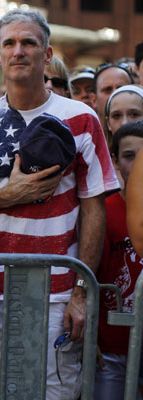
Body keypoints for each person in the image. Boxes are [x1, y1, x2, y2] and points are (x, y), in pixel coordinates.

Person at [0, 9, 119, 398]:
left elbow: (94, 207)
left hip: (55, 292)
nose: (18, 51)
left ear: (47, 53)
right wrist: (9, 196)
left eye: (29, 43)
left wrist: (81, 292)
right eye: (9, 43)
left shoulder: (82, 118)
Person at [95, 120, 143, 399]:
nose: (137, 165)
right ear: (114, 160)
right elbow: (91, 275)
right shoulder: (105, 210)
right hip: (111, 347)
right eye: (129, 156)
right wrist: (92, 339)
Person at [93, 62, 134, 144]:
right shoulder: (85, 144)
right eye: (107, 89)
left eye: (121, 88)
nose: (115, 94)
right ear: (94, 100)